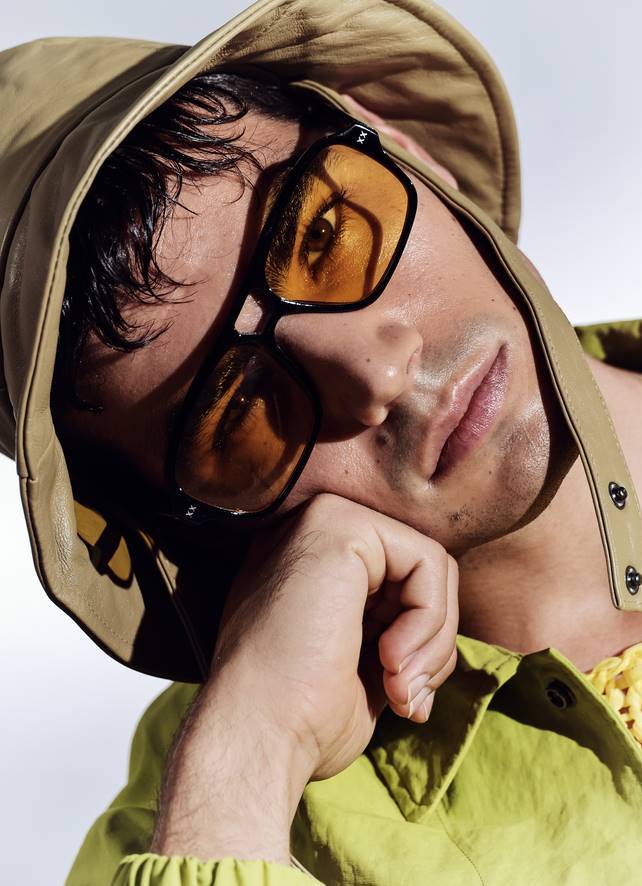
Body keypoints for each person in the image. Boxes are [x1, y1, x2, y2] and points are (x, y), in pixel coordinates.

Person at [1, 1, 642, 883]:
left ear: (403, 150)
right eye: (237, 409)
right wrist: (245, 765)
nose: (376, 373)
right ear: (197, 528)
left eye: (324, 235)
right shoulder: (198, 822)